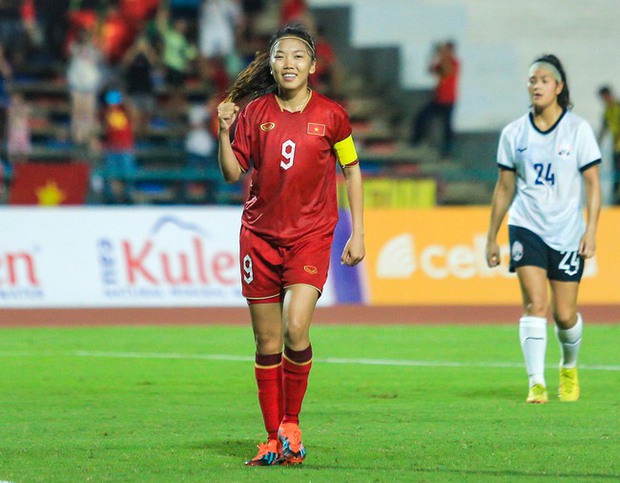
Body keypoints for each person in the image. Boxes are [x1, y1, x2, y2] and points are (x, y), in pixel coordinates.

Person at [217, 23, 365, 465]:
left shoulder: (333, 116)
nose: (289, 64)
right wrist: (223, 132)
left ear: (313, 66)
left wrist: (358, 231)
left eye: (298, 56)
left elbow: (352, 170)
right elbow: (230, 173)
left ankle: (292, 424)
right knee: (266, 343)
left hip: (311, 237)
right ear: (271, 63)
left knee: (295, 328)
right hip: (259, 238)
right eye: (281, 56)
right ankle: (272, 439)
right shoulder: (254, 112)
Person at [485, 54, 601, 404]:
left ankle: (569, 365)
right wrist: (492, 235)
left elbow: (593, 184)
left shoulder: (577, 130)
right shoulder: (514, 133)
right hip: (526, 225)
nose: (536, 85)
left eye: (544, 80)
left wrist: (591, 230)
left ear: (559, 87)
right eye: (532, 80)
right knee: (536, 304)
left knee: (565, 315)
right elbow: (504, 187)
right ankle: (536, 382)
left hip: (567, 230)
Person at [410, 40, 460, 158]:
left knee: (447, 127)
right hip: (439, 99)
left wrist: (442, 55)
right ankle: (416, 140)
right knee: (422, 117)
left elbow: (447, 72)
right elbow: (431, 70)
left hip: (449, 100)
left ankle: (447, 151)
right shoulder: (443, 62)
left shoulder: (454, 63)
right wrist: (434, 56)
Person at [597, 85, 620, 204]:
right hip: (616, 148)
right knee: (616, 172)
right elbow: (604, 129)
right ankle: (617, 199)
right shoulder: (607, 111)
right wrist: (596, 146)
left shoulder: (617, 107)